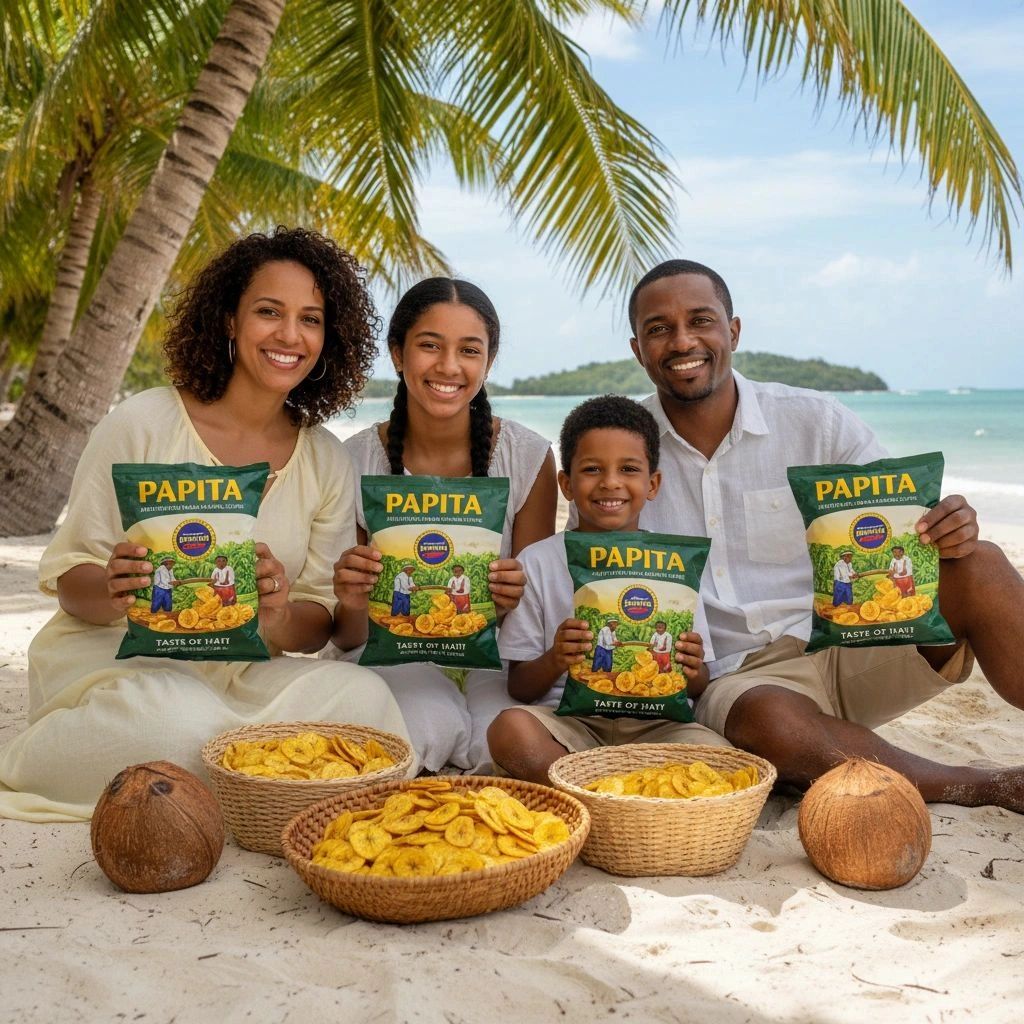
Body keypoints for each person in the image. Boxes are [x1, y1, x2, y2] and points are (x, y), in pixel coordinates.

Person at [0, 227, 410, 822]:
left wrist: (275, 613)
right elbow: (70, 579)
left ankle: (231, 777)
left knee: (365, 700)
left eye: (311, 319)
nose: (290, 336)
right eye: (269, 312)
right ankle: (36, 760)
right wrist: (117, 592)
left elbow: (316, 626)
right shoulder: (142, 422)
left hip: (242, 677)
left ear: (331, 335)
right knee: (178, 723)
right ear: (228, 321)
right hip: (122, 670)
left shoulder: (323, 457)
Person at [614, 257, 1024, 812]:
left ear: (732, 331)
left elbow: (911, 524)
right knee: (771, 723)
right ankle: (990, 785)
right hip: (743, 678)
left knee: (979, 563)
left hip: (852, 644)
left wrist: (950, 525)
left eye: (701, 320)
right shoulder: (622, 452)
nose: (682, 340)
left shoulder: (815, 421)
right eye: (658, 328)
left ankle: (825, 754)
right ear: (638, 349)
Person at [326, 278, 557, 772]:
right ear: (397, 354)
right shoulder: (354, 461)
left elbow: (530, 627)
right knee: (424, 725)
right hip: (385, 652)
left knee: (504, 743)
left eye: (469, 350)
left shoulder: (528, 457)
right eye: (430, 345)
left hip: (493, 656)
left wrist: (511, 600)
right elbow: (347, 636)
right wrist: (352, 597)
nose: (449, 366)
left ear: (488, 363)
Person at [487, 395, 730, 784]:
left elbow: (698, 686)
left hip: (658, 729)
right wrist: (555, 658)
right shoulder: (539, 561)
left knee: (720, 758)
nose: (610, 482)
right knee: (510, 730)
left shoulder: (673, 562)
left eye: (629, 469)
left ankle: (587, 798)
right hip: (571, 726)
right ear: (566, 483)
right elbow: (520, 687)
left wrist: (693, 665)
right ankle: (612, 800)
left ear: (653, 484)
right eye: (592, 469)